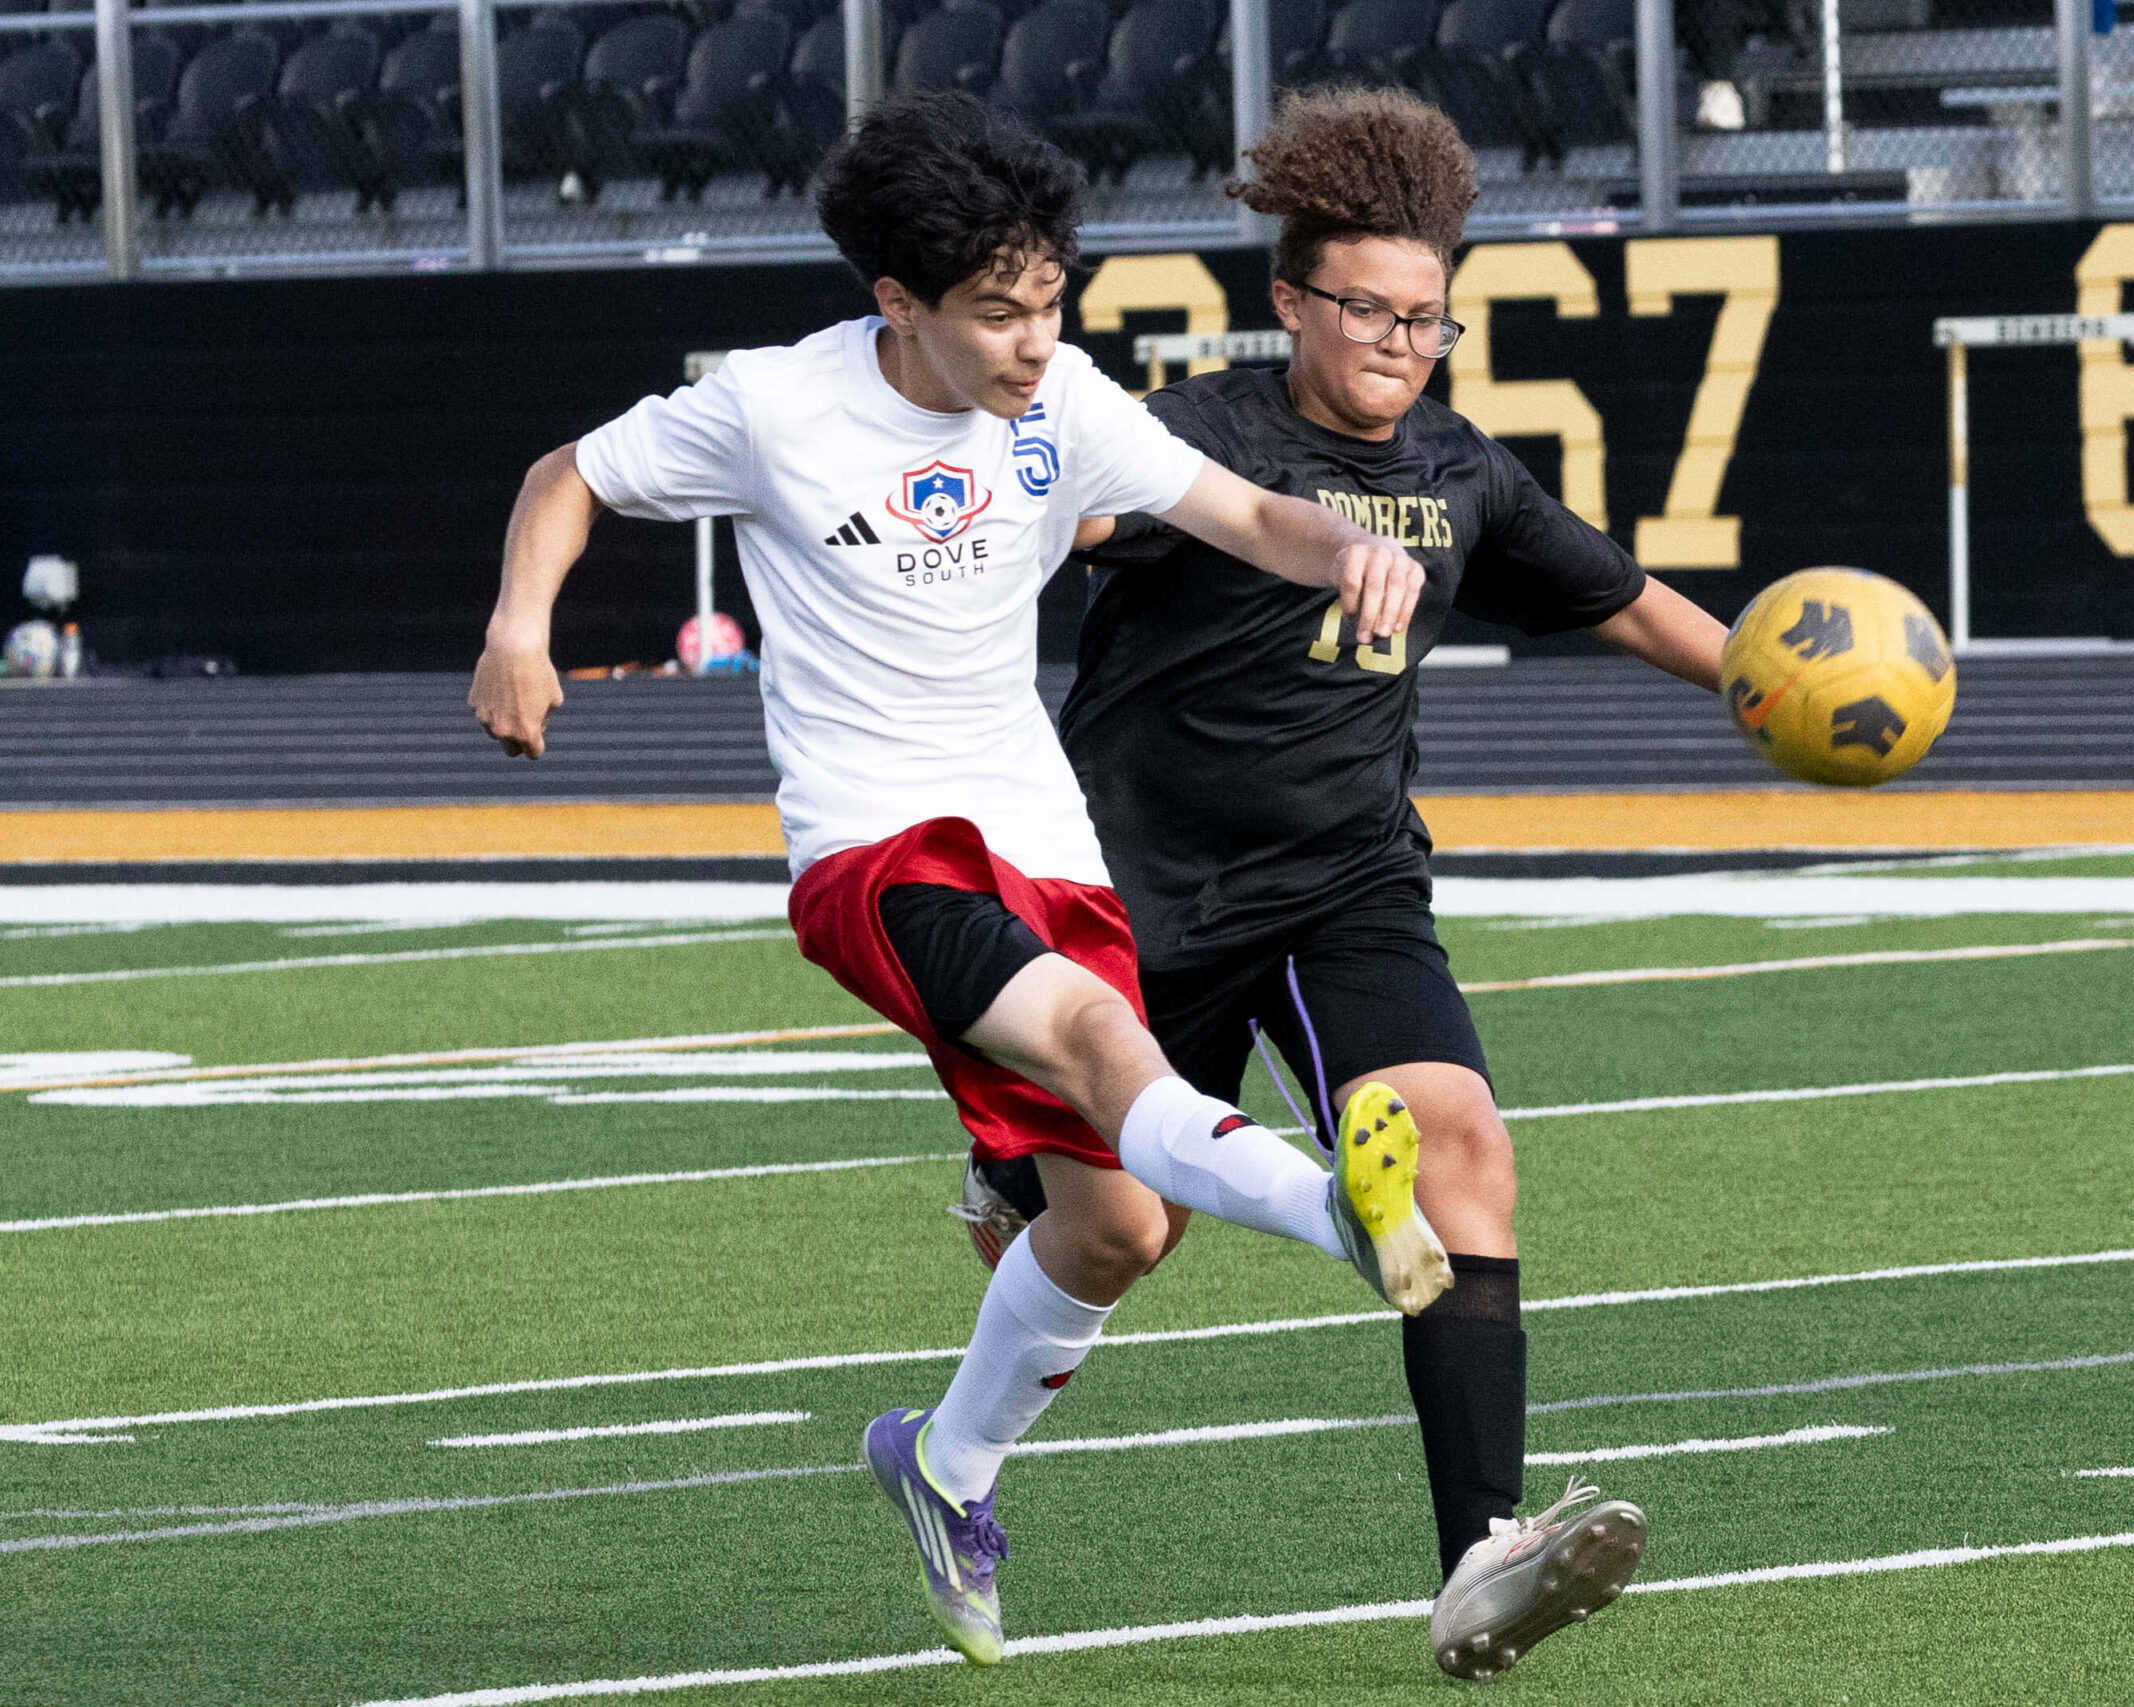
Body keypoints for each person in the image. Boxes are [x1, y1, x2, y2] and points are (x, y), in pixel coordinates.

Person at [465, 92, 1459, 1670]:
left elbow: (1245, 512)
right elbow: (563, 476)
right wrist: (523, 628)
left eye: (1051, 299)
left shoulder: (1061, 397)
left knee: (1119, 1229)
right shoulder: (773, 408)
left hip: (1041, 843)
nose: (1030, 340)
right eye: (996, 312)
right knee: (1093, 1044)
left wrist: (1345, 551)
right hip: (875, 848)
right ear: (897, 306)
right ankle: (1336, 1204)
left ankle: (945, 1467)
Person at [1033, 85, 1733, 1681]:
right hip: (1136, 900)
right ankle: (1014, 1195)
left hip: (1345, 887)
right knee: (1119, 1236)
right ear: (1290, 301)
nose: (1402, 344)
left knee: (1464, 1147)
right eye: (1368, 310)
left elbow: (1620, 599)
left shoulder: (1461, 469)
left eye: (1429, 318)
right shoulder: (1193, 442)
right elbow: (1038, 524)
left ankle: (1481, 1554)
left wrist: (1768, 683)